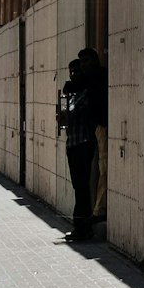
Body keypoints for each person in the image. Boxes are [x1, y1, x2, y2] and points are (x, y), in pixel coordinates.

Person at [59, 57, 96, 244]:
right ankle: (82, 226)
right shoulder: (72, 92)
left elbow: (71, 110)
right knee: (78, 187)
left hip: (83, 143)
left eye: (76, 72)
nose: (73, 76)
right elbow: (64, 115)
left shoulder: (84, 91)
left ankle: (82, 226)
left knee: (81, 187)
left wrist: (68, 91)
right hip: (73, 144)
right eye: (71, 72)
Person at [78, 47, 108, 221]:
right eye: (82, 62)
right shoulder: (93, 77)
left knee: (104, 167)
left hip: (102, 126)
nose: (84, 66)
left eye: (86, 61)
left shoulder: (94, 77)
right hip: (96, 128)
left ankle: (99, 209)